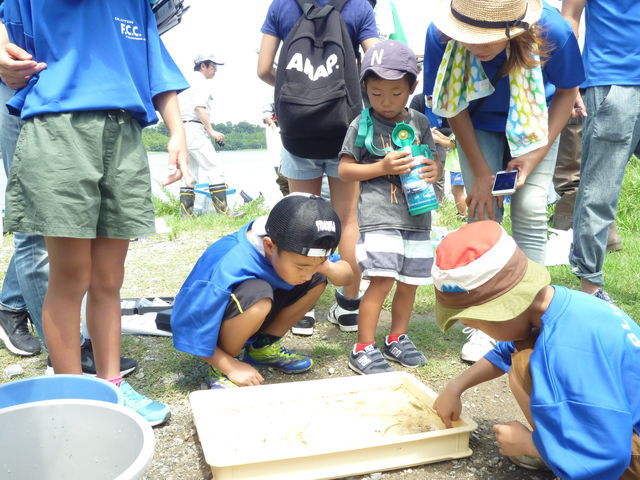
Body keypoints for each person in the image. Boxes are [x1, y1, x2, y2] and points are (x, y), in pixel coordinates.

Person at [1, 0, 189, 426]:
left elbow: (154, 65)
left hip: (124, 133)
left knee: (109, 278)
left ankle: (112, 384)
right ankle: (71, 393)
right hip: (58, 126)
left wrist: (178, 132)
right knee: (70, 276)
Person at [423, 0, 584, 362]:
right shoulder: (442, 34)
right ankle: (483, 322)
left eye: (486, 39)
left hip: (535, 124)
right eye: (469, 37)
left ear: (515, 29)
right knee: (482, 211)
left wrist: (533, 157)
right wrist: (480, 172)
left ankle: (534, 316)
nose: (475, 46)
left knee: (529, 209)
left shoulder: (553, 31)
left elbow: (567, 91)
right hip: (476, 123)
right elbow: (451, 103)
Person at [431, 220, 640, 480]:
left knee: (527, 365)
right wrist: (455, 387)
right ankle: (563, 453)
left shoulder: (567, 352)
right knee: (521, 361)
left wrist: (534, 446)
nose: (483, 333)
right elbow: (504, 351)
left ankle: (564, 455)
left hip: (625, 451)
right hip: (621, 423)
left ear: (501, 310)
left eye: (478, 325)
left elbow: (610, 453)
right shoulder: (556, 306)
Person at [257, 0, 379, 335]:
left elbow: (264, 68)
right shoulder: (358, 8)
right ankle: (349, 307)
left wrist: (300, 94)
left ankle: (301, 308)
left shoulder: (281, 6)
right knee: (348, 218)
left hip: (298, 130)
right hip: (344, 129)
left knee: (300, 217)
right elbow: (377, 65)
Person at [170, 193, 353, 388]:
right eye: (300, 267)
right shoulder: (229, 261)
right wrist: (229, 365)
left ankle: (261, 348)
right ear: (269, 245)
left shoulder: (300, 247)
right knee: (258, 294)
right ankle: (224, 363)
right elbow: (186, 326)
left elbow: (347, 275)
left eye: (318, 262)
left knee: (318, 279)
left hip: (256, 312)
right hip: (225, 324)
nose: (306, 274)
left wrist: (323, 266)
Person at [338, 40, 440, 374]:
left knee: (410, 282)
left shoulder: (421, 122)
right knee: (380, 279)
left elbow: (432, 161)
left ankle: (397, 337)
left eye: (396, 93)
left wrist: (434, 170)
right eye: (377, 92)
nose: (386, 101)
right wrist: (381, 168)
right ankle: (363, 346)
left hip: (418, 218)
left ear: (412, 87)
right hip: (379, 218)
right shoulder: (361, 124)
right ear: (365, 86)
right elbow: (345, 170)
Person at [563, 0, 640, 303]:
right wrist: (568, 86)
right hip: (612, 81)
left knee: (599, 188)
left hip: (613, 82)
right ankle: (590, 286)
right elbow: (570, 17)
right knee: (600, 189)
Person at [178, 53, 238, 218]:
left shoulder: (185, 82)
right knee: (215, 169)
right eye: (213, 66)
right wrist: (211, 131)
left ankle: (186, 215)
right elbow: (199, 107)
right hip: (195, 130)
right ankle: (224, 212)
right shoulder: (201, 83)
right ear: (202, 66)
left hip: (182, 129)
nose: (216, 70)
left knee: (189, 172)